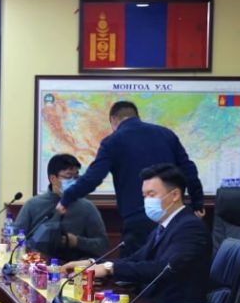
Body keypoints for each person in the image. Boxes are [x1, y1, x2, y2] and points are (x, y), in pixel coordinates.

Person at [57, 100, 204, 253]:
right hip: (172, 216)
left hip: (137, 219)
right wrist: (197, 202)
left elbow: (94, 177)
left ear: (113, 120)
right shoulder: (167, 134)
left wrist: (67, 198)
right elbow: (188, 169)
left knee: (134, 265)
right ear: (136, 116)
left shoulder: (112, 141)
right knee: (170, 262)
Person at [67, 163, 209, 303]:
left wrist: (109, 268)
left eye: (152, 195)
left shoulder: (190, 227)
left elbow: (163, 268)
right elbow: (136, 260)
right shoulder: (164, 225)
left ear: (175, 195)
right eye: (144, 196)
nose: (147, 201)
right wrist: (92, 263)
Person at [13, 154, 110, 262]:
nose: (74, 182)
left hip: (75, 268)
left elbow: (103, 246)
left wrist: (77, 241)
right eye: (68, 177)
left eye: (76, 177)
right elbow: (15, 239)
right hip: (38, 266)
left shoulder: (87, 207)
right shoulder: (32, 205)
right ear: (53, 179)